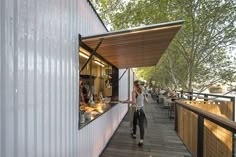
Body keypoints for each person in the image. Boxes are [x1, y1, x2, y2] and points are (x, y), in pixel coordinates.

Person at [121, 80, 148, 146]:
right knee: (141, 125)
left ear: (134, 85)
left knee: (134, 122)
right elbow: (147, 101)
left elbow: (133, 102)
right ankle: (141, 140)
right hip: (141, 109)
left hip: (135, 110)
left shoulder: (134, 92)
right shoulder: (142, 91)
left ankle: (134, 134)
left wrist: (126, 102)